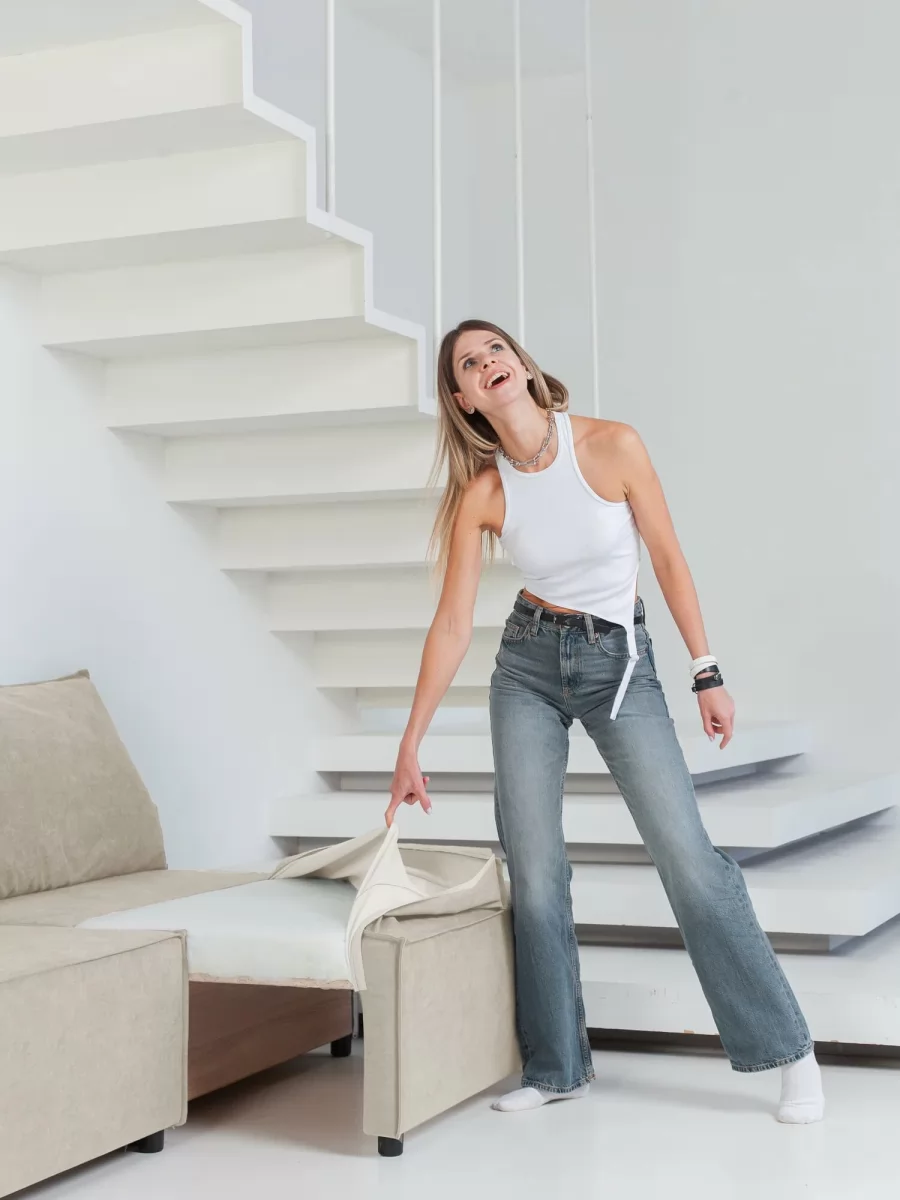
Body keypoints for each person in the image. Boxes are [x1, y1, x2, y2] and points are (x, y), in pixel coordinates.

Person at [384, 319, 824, 1124]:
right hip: (526, 667)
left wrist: (706, 670)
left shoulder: (611, 444)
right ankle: (556, 1066)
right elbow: (451, 624)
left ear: (521, 364)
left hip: (618, 661)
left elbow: (668, 556)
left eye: (495, 350)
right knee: (535, 872)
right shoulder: (483, 494)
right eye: (469, 365)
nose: (487, 364)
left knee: (688, 859)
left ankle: (789, 1050)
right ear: (464, 399)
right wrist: (411, 740)